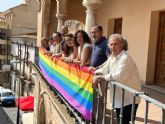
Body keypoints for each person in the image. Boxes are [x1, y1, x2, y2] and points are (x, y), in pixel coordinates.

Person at [93, 34, 142, 124]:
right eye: (111, 44)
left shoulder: (125, 58)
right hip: (119, 97)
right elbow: (105, 68)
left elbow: (118, 76)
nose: (113, 47)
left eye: (116, 44)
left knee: (124, 122)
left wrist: (102, 77)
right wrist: (97, 74)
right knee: (120, 121)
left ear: (122, 45)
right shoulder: (113, 57)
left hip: (129, 99)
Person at [90, 25, 110, 123]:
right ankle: (95, 119)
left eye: (95, 32)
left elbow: (110, 60)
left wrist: (98, 68)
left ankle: (99, 121)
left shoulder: (106, 43)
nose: (93, 34)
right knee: (95, 100)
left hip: (100, 77)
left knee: (99, 100)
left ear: (101, 32)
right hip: (93, 75)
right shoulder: (95, 43)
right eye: (92, 32)